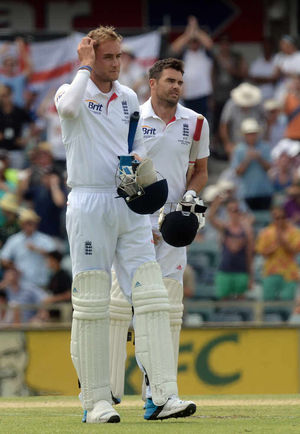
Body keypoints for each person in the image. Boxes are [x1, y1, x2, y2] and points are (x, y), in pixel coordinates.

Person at [55, 26, 196, 424]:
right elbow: (67, 112)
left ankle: (164, 396)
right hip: (88, 200)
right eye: (108, 57)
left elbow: (128, 147)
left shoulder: (130, 97)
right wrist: (83, 68)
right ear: (90, 57)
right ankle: (95, 401)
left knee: (152, 294)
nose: (116, 64)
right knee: (93, 300)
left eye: (119, 56)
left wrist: (140, 171)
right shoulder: (71, 91)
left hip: (127, 201)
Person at [109, 58, 209, 406]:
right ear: (153, 83)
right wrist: (139, 217)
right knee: (122, 308)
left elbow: (200, 171)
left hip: (174, 223)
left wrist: (189, 201)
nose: (176, 87)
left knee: (167, 309)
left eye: (180, 81)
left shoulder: (196, 122)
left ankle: (159, 393)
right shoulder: (131, 119)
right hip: (135, 221)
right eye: (169, 80)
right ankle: (107, 390)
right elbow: (121, 169)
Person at [208, 196, 254, 299]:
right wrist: (216, 204)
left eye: (236, 210)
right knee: (223, 301)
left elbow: (250, 254)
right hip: (225, 270)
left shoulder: (246, 231)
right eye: (230, 210)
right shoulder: (225, 228)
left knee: (240, 302)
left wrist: (251, 276)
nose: (234, 213)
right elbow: (211, 219)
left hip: (241, 271)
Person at [0, 208, 56, 288]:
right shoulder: (14, 240)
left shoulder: (45, 239)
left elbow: (55, 256)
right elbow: (3, 258)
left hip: (41, 283)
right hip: (21, 284)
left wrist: (37, 249)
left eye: (32, 223)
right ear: (21, 224)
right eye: (27, 223)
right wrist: (14, 268)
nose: (30, 225)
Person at [170, 15, 213, 118]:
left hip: (204, 94)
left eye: (195, 41)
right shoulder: (184, 54)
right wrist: (188, 34)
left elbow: (209, 44)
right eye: (191, 41)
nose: (193, 43)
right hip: (187, 95)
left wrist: (196, 30)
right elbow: (174, 48)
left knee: (203, 122)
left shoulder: (205, 53)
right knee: (188, 122)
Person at [256, 205, 300, 301]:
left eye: (283, 217)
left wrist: (283, 241)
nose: (280, 220)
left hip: (290, 273)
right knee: (268, 301)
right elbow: (263, 253)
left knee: (287, 301)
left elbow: (294, 251)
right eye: (277, 218)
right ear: (273, 218)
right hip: (271, 271)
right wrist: (275, 246)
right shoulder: (265, 232)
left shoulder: (295, 232)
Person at [231, 118, 273, 211]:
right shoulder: (238, 149)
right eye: (249, 134)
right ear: (244, 135)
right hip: (246, 192)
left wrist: (259, 158)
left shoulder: (265, 146)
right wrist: (247, 159)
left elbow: (269, 167)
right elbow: (237, 172)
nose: (251, 136)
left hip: (264, 191)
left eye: (253, 133)